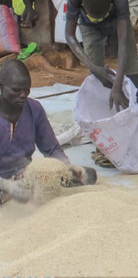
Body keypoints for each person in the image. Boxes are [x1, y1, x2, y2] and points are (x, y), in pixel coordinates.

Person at [0, 60, 96, 204]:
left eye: (27, 89)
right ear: (2, 86)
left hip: (25, 176)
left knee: (88, 175)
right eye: (16, 90)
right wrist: (7, 186)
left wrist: (66, 168)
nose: (23, 95)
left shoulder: (34, 109)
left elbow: (51, 149)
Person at [65, 0, 138, 120]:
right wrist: (93, 66)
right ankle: (102, 122)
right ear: (82, 5)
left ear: (110, 4)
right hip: (89, 27)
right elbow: (69, 35)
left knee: (132, 70)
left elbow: (123, 42)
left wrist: (118, 83)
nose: (100, 20)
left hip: (117, 22)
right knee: (97, 76)